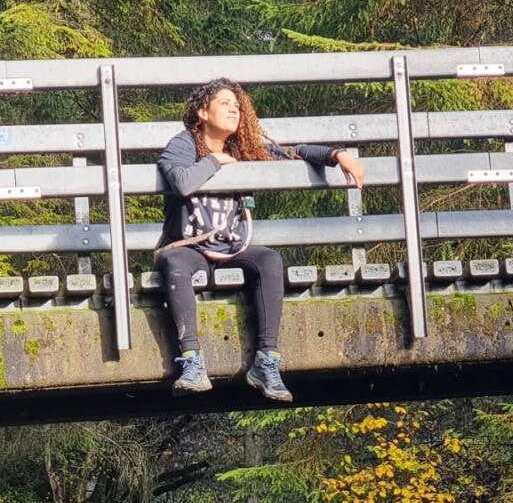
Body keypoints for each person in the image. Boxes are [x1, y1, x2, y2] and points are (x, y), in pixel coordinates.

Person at [156, 79, 365, 401]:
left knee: (269, 259)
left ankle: (266, 362)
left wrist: (337, 155)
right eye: (224, 103)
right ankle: (192, 362)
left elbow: (293, 152)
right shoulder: (184, 144)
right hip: (190, 248)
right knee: (174, 263)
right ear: (202, 112)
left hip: (232, 247)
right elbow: (182, 182)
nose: (233, 109)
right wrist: (214, 161)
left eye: (237, 105)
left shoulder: (243, 148)